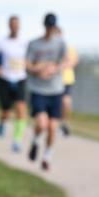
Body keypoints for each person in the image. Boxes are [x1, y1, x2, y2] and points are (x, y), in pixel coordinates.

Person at [25, 13, 68, 171]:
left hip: (55, 90)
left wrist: (55, 69)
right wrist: (39, 69)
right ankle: (36, 141)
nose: (51, 29)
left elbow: (66, 61)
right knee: (42, 124)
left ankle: (47, 156)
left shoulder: (61, 43)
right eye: (48, 26)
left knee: (52, 127)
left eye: (53, 27)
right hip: (38, 89)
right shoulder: (34, 44)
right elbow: (27, 64)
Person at [0, 16, 29, 152]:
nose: (15, 27)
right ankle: (2, 122)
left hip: (20, 78)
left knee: (21, 108)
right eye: (13, 25)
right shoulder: (1, 42)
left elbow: (30, 60)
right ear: (9, 26)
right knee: (6, 111)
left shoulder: (25, 43)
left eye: (17, 25)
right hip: (5, 78)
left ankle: (17, 140)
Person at [58, 28, 79, 136]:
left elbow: (75, 60)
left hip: (66, 79)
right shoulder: (51, 48)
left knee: (66, 102)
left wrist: (63, 66)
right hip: (53, 81)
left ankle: (64, 122)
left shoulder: (69, 48)